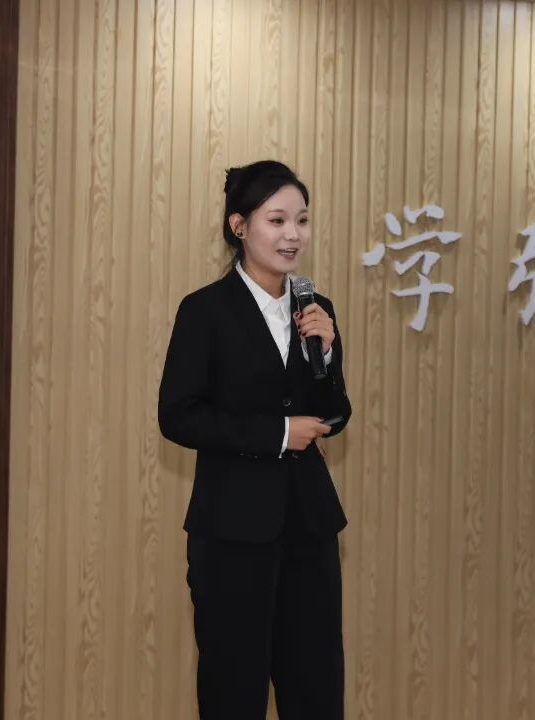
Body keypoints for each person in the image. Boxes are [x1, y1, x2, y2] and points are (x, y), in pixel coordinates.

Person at [158, 160, 352, 719]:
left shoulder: (316, 309)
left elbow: (335, 414)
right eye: (277, 220)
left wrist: (327, 353)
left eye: (302, 220)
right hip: (232, 532)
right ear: (239, 226)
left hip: (309, 527)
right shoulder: (205, 311)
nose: (293, 235)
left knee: (315, 688)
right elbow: (178, 416)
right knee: (234, 690)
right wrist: (278, 434)